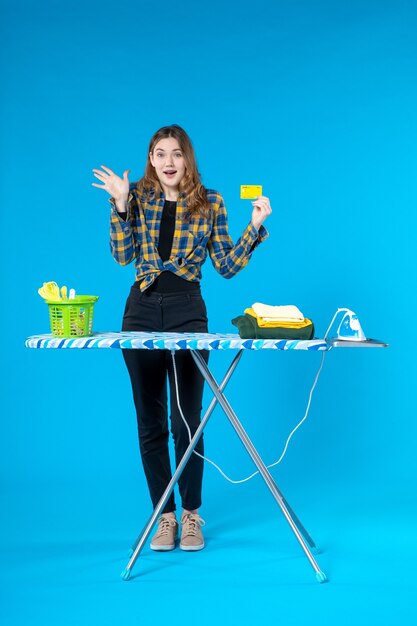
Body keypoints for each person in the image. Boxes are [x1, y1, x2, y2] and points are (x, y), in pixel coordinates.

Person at [92, 124, 271, 552]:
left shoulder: (211, 202)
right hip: (140, 309)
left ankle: (191, 515)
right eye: (159, 154)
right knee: (149, 421)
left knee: (186, 421)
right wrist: (119, 204)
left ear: (187, 158)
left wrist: (255, 226)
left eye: (176, 153)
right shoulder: (135, 196)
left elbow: (226, 265)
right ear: (151, 160)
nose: (168, 161)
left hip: (188, 311)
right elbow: (122, 257)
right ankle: (164, 517)